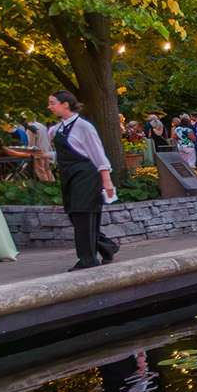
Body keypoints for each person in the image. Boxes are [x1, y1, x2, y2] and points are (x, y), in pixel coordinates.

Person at [46, 91, 117, 270]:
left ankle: (87, 260)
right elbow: (66, 153)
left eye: (52, 103)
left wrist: (107, 181)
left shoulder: (84, 126)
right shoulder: (58, 129)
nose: (49, 106)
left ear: (65, 104)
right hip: (69, 176)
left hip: (86, 176)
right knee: (75, 216)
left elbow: (97, 154)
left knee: (83, 215)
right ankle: (107, 247)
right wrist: (38, 154)